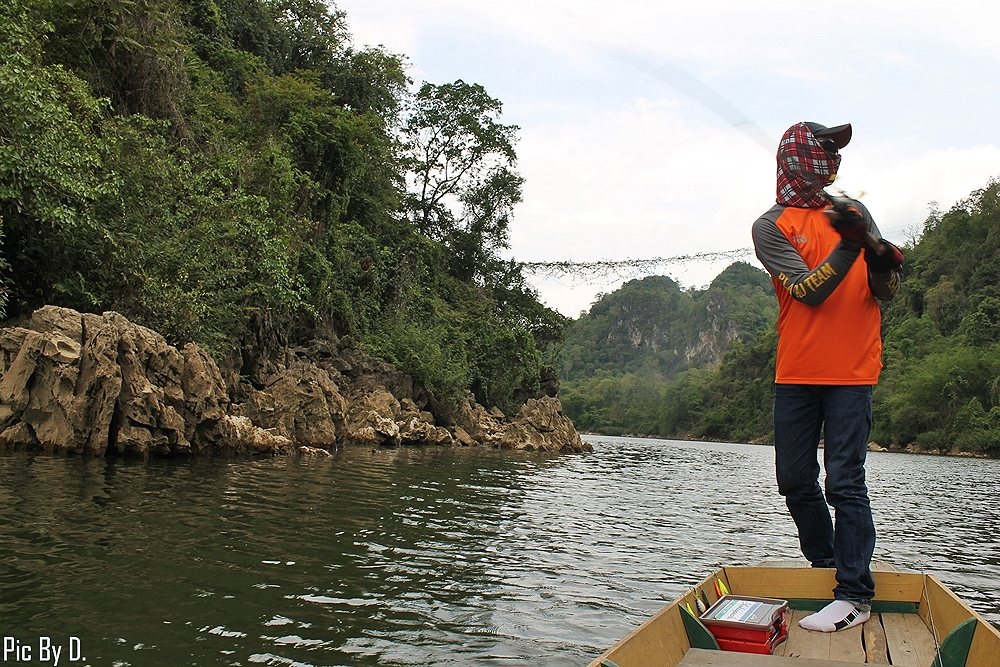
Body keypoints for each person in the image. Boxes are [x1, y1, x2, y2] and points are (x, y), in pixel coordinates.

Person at [751, 121, 904, 633]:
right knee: (794, 479)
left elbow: (885, 291)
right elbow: (808, 291)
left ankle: (854, 594)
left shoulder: (853, 215)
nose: (831, 161)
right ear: (797, 155)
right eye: (824, 150)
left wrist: (880, 259)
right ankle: (829, 566)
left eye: (834, 153)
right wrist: (849, 244)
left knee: (845, 480)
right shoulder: (770, 226)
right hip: (796, 371)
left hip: (852, 369)